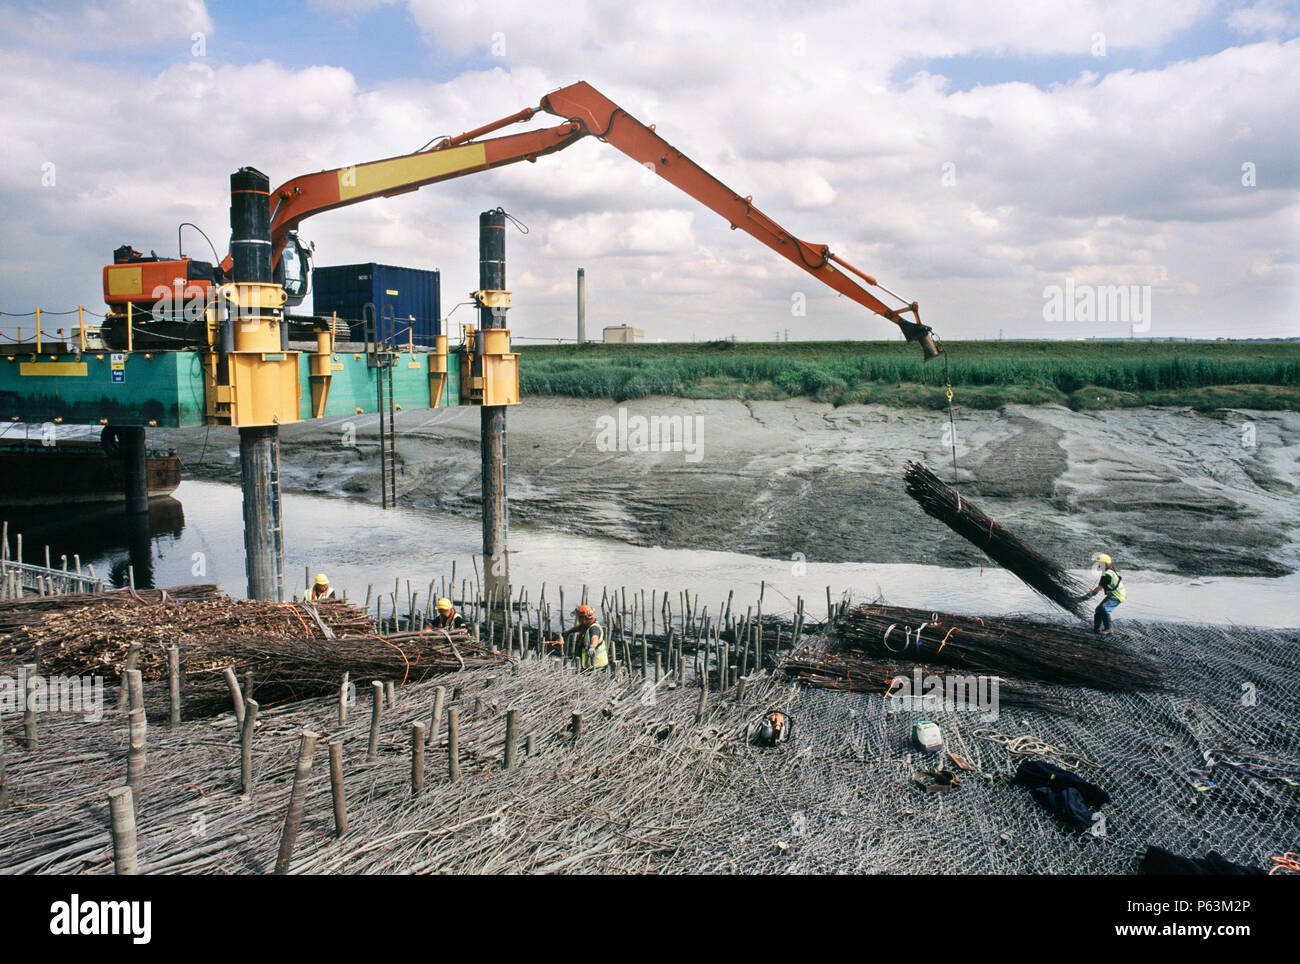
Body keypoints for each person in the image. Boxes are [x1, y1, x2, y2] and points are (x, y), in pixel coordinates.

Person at [1083, 553, 1125, 634]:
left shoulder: (1107, 574)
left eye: (1101, 564)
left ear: (1106, 564)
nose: (1099, 566)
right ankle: (1096, 629)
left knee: (1104, 609)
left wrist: (1087, 596)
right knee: (1099, 610)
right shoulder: (1109, 571)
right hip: (1113, 595)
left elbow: (1099, 588)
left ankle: (1109, 629)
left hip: (1117, 596)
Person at [568, 605, 607, 671]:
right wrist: (568, 632)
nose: (578, 620)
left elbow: (595, 638)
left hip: (596, 665)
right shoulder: (587, 625)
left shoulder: (594, 628)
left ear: (584, 618)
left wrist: (592, 647)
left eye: (579, 618)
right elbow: (579, 628)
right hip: (588, 664)